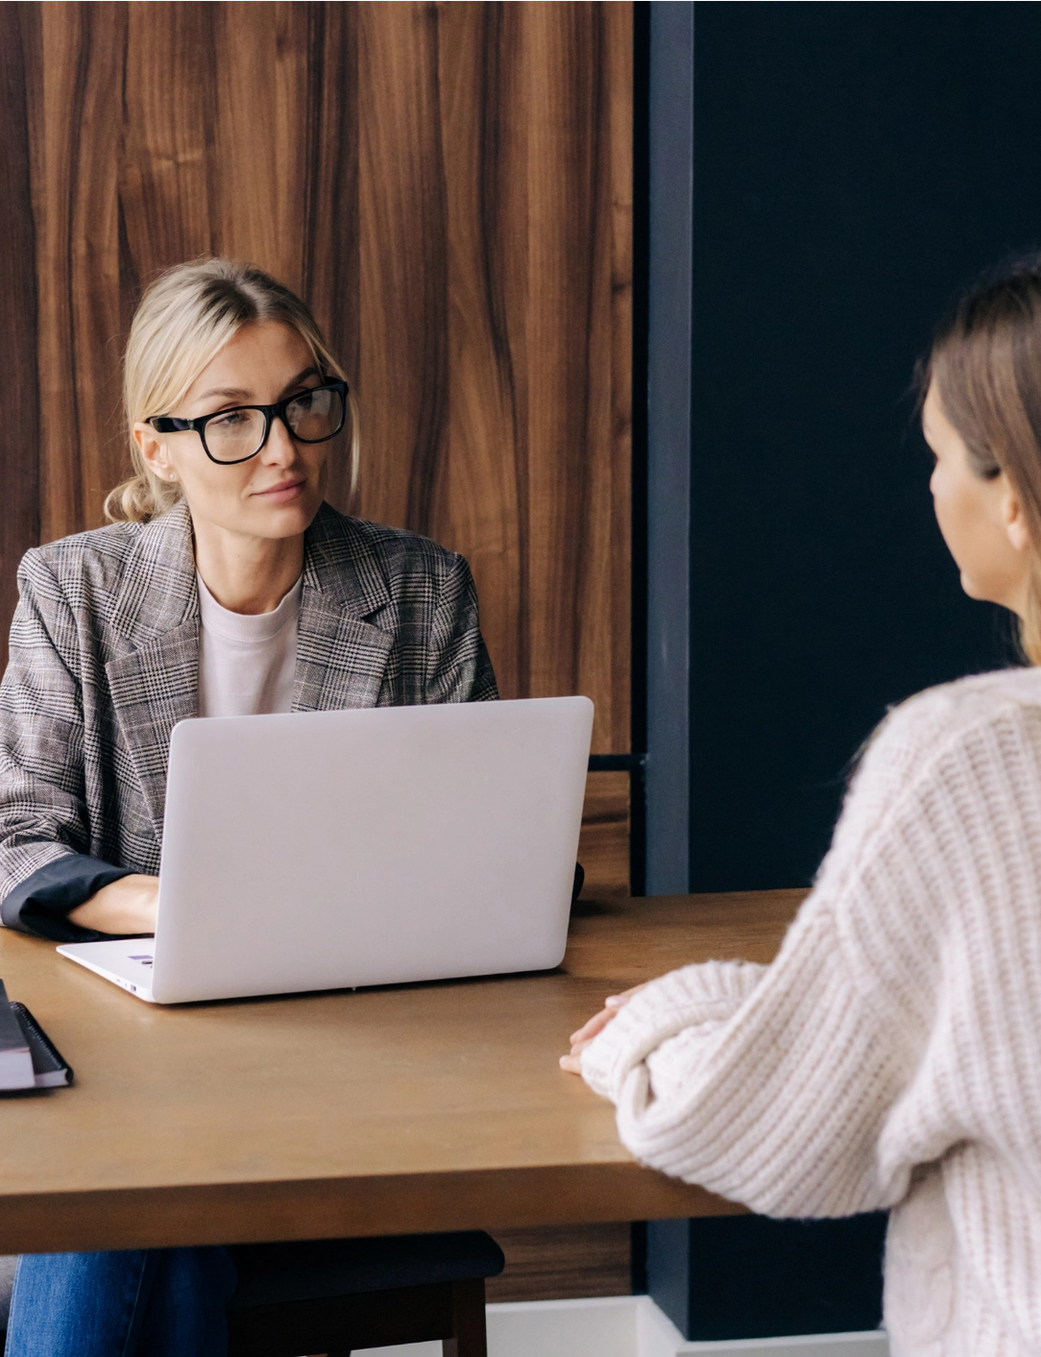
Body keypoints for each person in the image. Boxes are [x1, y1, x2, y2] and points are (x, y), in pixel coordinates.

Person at [0, 258, 497, 1355]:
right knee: (153, 1166)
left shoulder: (419, 591)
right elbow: (16, 840)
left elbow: (490, 843)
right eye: (233, 418)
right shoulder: (71, 591)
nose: (284, 448)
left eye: (304, 401)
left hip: (357, 1058)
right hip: (138, 1046)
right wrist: (181, 908)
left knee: (133, 1184)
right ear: (157, 447)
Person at [563, 258, 1041, 1355]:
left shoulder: (970, 757)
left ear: (1012, 496)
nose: (930, 490)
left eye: (938, 457)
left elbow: (775, 1116)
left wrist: (645, 1028)